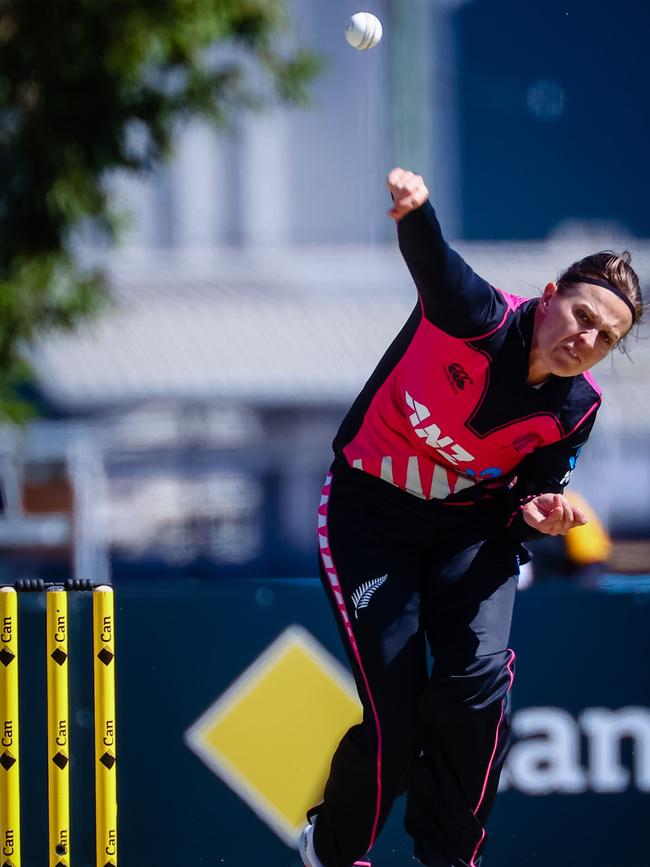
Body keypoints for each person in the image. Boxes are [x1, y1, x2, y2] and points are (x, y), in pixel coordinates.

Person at [299, 168, 644, 867]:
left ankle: (450, 857)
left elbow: (535, 489)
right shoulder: (474, 315)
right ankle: (329, 851)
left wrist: (541, 512)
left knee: (478, 687)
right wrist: (416, 212)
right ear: (549, 297)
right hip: (371, 516)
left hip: (471, 528)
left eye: (605, 337)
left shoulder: (576, 409)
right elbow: (435, 262)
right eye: (582, 315)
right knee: (394, 721)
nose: (586, 338)